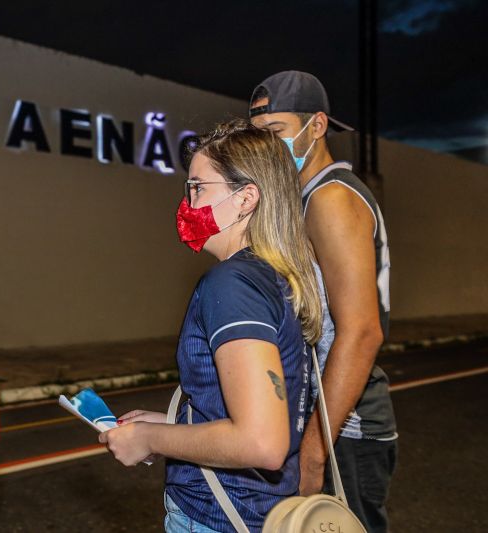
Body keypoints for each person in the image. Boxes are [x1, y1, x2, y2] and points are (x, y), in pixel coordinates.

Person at [100, 120, 322, 532]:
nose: (187, 202)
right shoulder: (273, 278)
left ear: (245, 199)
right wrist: (172, 422)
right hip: (262, 511)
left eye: (199, 187)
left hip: (220, 518)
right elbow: (256, 409)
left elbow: (261, 442)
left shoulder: (233, 284)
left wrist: (149, 440)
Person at [249, 70, 397, 532]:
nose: (269, 147)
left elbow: (361, 331)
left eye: (277, 132)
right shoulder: (308, 197)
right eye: (259, 136)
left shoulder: (331, 199)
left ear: (317, 125)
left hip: (343, 431)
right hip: (326, 421)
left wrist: (314, 453)